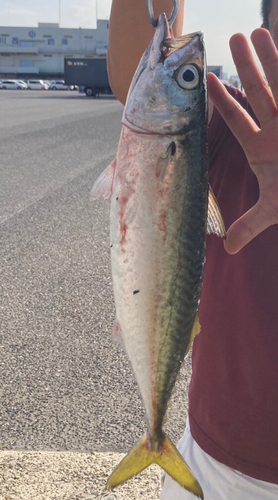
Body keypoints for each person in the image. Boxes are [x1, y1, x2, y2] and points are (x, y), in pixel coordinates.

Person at [108, 1, 278, 498]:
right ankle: (155, 432)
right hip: (216, 469)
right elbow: (133, 66)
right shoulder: (227, 126)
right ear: (268, 32)